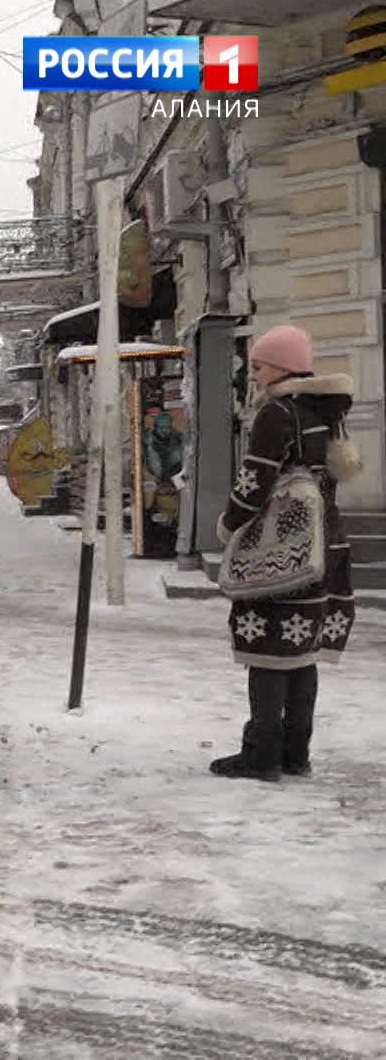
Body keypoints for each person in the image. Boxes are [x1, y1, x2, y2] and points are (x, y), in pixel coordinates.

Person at [210, 325, 361, 781]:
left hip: (284, 548)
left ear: (282, 368)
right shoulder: (325, 411)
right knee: (302, 652)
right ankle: (296, 755)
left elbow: (254, 485)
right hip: (327, 544)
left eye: (258, 366)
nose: (252, 375)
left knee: (269, 652)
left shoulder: (277, 414)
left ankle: (262, 755)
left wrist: (229, 525)